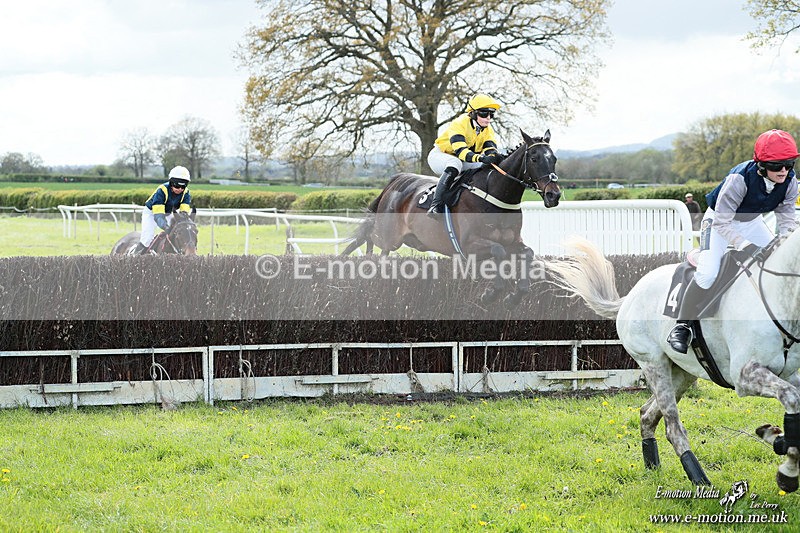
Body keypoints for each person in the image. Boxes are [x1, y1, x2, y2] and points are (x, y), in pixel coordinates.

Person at [667, 129, 799, 353]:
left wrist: (785, 242)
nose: (784, 171)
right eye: (777, 166)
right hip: (719, 221)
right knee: (708, 273)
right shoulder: (739, 179)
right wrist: (743, 244)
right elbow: (722, 222)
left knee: (776, 260)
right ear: (761, 165)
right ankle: (682, 326)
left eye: (789, 163)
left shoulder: (790, 182)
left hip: (751, 222)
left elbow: (786, 220)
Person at [426, 93, 505, 217]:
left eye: (491, 114)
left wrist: (495, 157)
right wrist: (481, 157)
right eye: (484, 113)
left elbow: (490, 148)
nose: (488, 118)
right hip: (441, 156)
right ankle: (436, 205)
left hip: (463, 160)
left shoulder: (488, 129)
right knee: (455, 163)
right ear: (473, 113)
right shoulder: (459, 123)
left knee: (485, 167)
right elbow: (461, 152)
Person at [132, 166, 193, 255]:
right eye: (177, 185)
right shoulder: (162, 190)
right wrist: (165, 227)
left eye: (183, 186)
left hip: (168, 213)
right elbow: (158, 215)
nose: (180, 189)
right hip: (152, 212)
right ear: (171, 183)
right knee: (147, 238)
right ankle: (134, 258)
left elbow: (184, 213)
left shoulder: (186, 193)